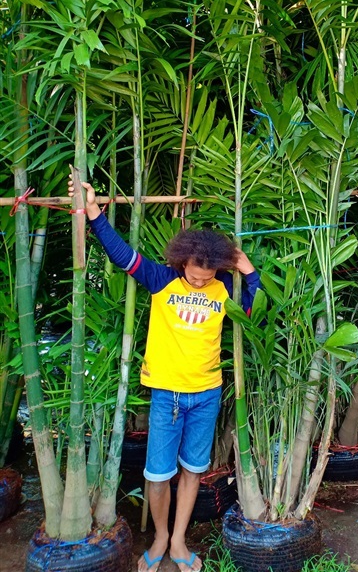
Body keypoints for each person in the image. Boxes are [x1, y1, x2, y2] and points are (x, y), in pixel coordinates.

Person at [69, 177, 260, 572]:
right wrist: (93, 214)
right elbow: (124, 257)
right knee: (158, 475)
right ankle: (158, 536)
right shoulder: (162, 280)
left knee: (192, 472)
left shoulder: (224, 287)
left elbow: (251, 313)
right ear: (182, 262)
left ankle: (177, 541)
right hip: (166, 396)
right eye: (194, 274)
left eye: (207, 277)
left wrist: (249, 271)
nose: (200, 281)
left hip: (207, 392)